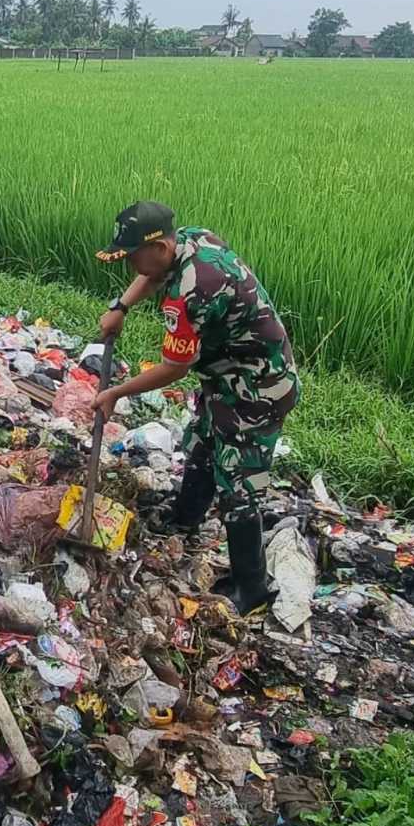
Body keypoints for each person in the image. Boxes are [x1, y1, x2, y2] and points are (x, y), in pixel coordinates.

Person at [94, 201, 300, 615]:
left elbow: (176, 366)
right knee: (204, 441)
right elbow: (152, 275)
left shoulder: (193, 291)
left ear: (160, 247)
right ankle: (184, 520)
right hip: (227, 378)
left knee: (238, 485)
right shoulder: (189, 238)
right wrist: (121, 307)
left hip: (256, 388)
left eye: (134, 255)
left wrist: (116, 392)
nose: (131, 263)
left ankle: (251, 586)